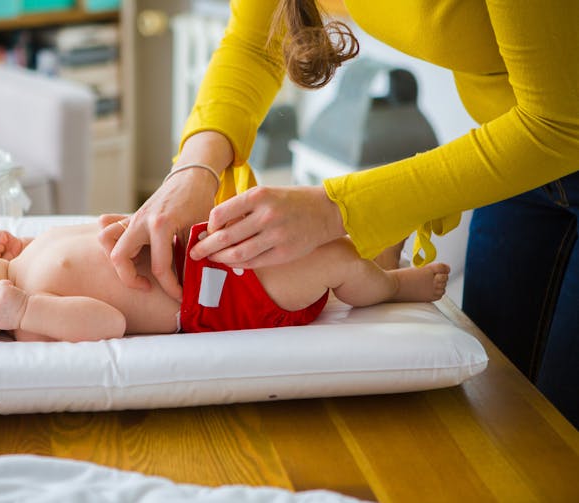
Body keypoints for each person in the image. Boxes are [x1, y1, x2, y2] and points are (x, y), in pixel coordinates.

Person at [99, 0, 579, 427]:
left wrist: (336, 210)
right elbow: (256, 42)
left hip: (548, 136)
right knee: (500, 404)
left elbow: (560, 123)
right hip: (519, 161)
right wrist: (195, 167)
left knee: (559, 427)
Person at [0, 221, 449, 343]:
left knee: (319, 233)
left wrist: (17, 250)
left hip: (199, 246)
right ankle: (394, 285)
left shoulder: (27, 252)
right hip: (217, 297)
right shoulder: (29, 329)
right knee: (335, 263)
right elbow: (109, 322)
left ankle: (379, 256)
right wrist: (27, 312)